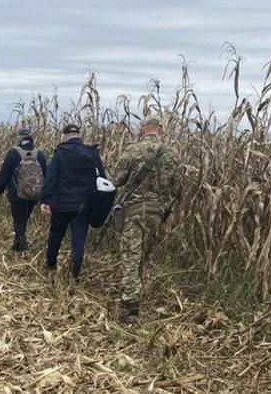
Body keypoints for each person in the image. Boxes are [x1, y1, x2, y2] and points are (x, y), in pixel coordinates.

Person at [111, 117, 183, 324]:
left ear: (143, 130)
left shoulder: (133, 151)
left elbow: (116, 180)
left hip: (133, 212)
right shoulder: (173, 155)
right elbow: (176, 188)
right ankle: (133, 290)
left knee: (131, 258)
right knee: (143, 256)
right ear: (161, 130)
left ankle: (130, 308)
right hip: (156, 213)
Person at [40, 124, 105, 278]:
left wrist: (45, 200)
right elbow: (102, 179)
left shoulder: (60, 152)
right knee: (79, 240)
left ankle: (51, 266)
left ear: (65, 135)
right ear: (78, 135)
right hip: (82, 205)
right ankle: (74, 273)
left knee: (55, 235)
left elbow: (51, 178)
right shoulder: (91, 153)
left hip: (61, 204)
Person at [0, 128, 48, 252]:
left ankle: (23, 247)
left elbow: (5, 172)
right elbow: (45, 175)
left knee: (18, 220)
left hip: (17, 194)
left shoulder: (14, 152)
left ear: (20, 138)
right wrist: (43, 195)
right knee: (24, 219)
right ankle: (16, 247)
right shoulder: (39, 154)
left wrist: (0, 188)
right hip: (34, 194)